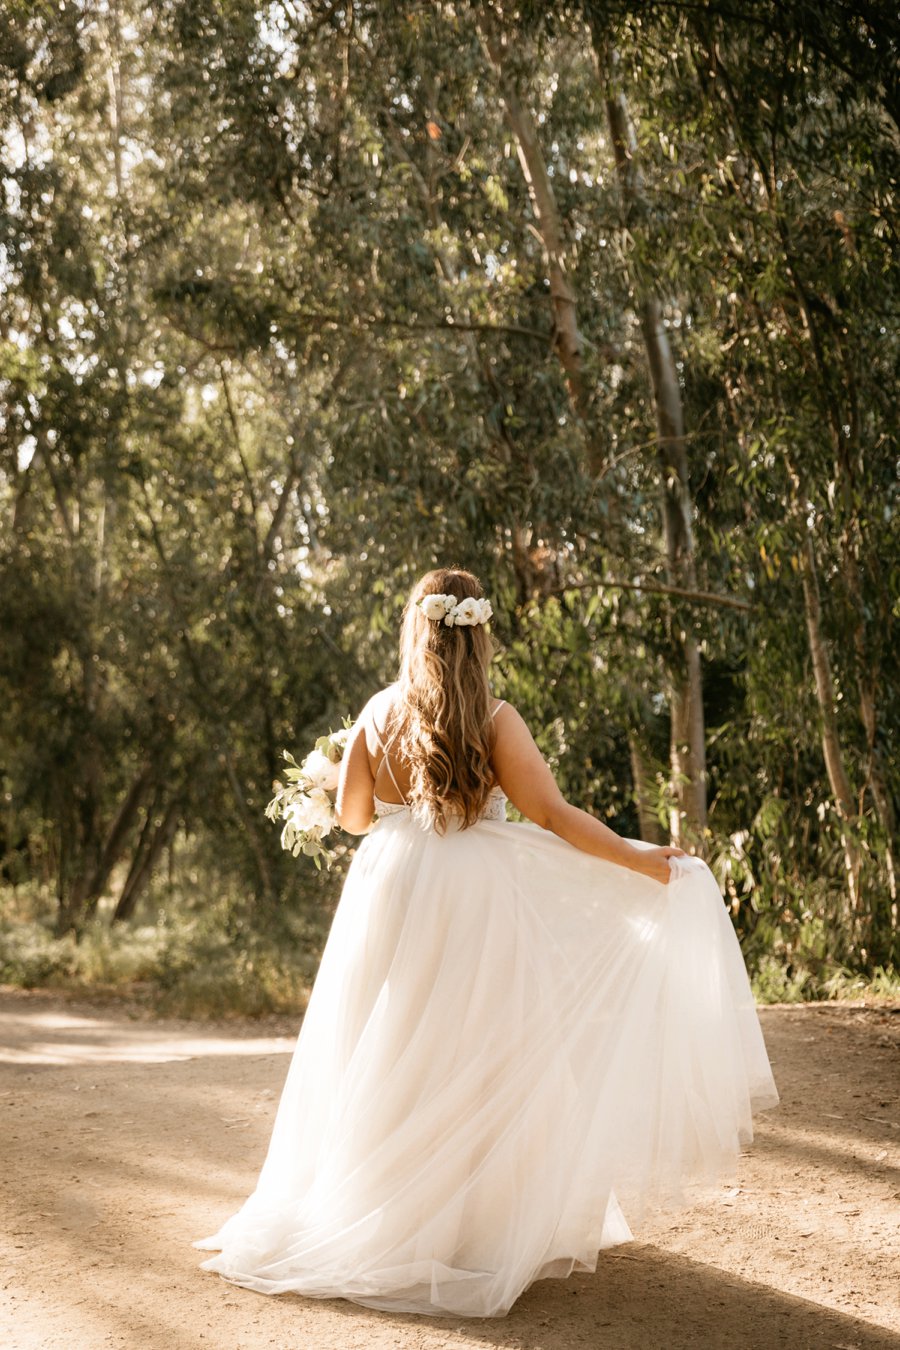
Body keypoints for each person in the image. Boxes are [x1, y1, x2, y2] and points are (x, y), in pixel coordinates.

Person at [194, 567, 779, 1318]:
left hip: (392, 887)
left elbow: (354, 820)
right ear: (478, 635)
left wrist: (338, 774)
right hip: (473, 892)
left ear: (416, 631)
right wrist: (637, 860)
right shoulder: (498, 720)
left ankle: (376, 1209)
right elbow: (554, 816)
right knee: (477, 1046)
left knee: (387, 1040)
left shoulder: (377, 713)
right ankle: (476, 1229)